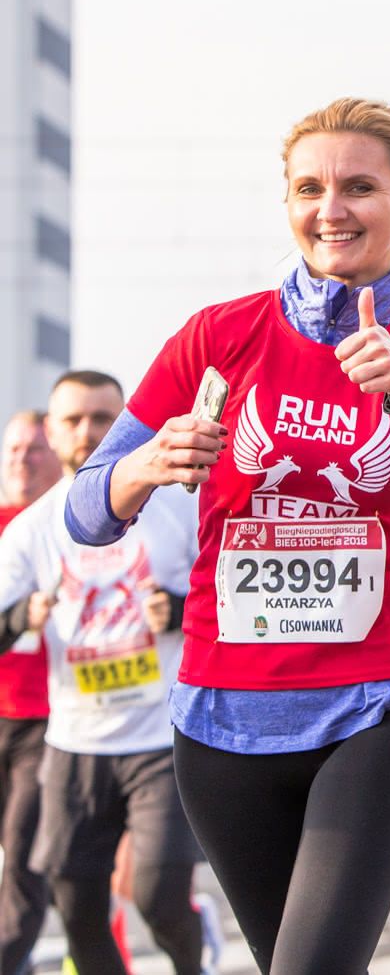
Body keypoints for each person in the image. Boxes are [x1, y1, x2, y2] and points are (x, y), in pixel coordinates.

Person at [63, 98, 390, 975]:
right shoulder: (217, 337)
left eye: (359, 187)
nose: (331, 208)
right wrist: (147, 463)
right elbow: (85, 512)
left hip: (379, 712)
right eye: (309, 188)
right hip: (223, 722)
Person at [0, 371, 208, 975]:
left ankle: (194, 965)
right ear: (51, 430)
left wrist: (179, 607)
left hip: (160, 737)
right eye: (73, 419)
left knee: (159, 897)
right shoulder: (33, 527)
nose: (88, 432)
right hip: (75, 743)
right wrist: (20, 616)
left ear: (129, 423)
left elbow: (232, 598)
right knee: (78, 912)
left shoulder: (178, 505)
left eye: (103, 418)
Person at [0, 410, 60, 971]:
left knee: (23, 857)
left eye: (34, 448)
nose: (22, 459)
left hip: (48, 721)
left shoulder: (78, 523)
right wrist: (20, 615)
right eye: (14, 449)